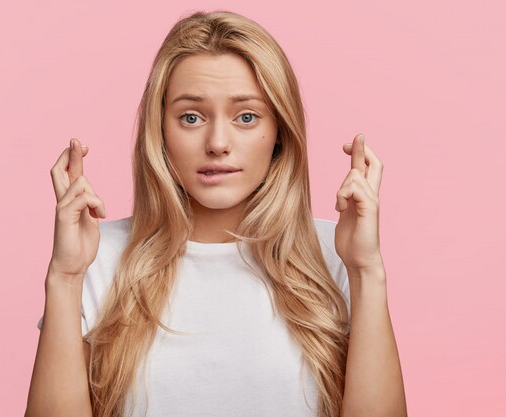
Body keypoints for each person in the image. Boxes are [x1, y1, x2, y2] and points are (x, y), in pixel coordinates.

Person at [25, 10, 407, 417]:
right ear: (160, 131)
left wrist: (366, 270)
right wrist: (65, 278)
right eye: (191, 117)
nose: (218, 142)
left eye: (246, 117)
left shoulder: (338, 256)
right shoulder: (96, 258)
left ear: (279, 133)